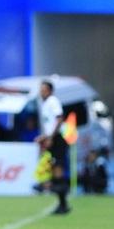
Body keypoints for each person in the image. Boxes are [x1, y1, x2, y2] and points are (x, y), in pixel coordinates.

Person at [35, 79, 70, 214]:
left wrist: (50, 137)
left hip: (57, 140)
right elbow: (50, 124)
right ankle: (62, 203)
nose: (41, 92)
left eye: (44, 90)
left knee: (57, 170)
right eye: (41, 90)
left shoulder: (53, 101)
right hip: (53, 139)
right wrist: (43, 137)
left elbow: (59, 118)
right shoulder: (45, 104)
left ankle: (63, 204)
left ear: (50, 91)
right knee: (53, 170)